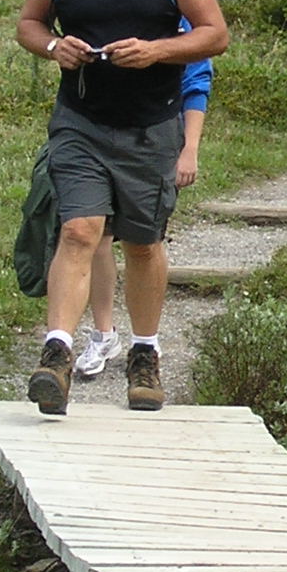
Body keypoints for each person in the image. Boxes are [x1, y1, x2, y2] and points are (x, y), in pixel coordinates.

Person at [16, 0, 228, 413]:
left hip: (150, 126)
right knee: (81, 229)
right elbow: (28, 23)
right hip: (80, 121)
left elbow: (215, 35)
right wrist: (52, 46)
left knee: (142, 242)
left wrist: (156, 50)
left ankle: (144, 354)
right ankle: (56, 354)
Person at [74, 22, 210, 379]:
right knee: (95, 233)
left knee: (145, 240)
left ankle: (145, 341)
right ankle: (103, 334)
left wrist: (190, 149)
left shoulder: (181, 20)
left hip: (156, 140)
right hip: (99, 134)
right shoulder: (108, 5)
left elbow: (196, 84)